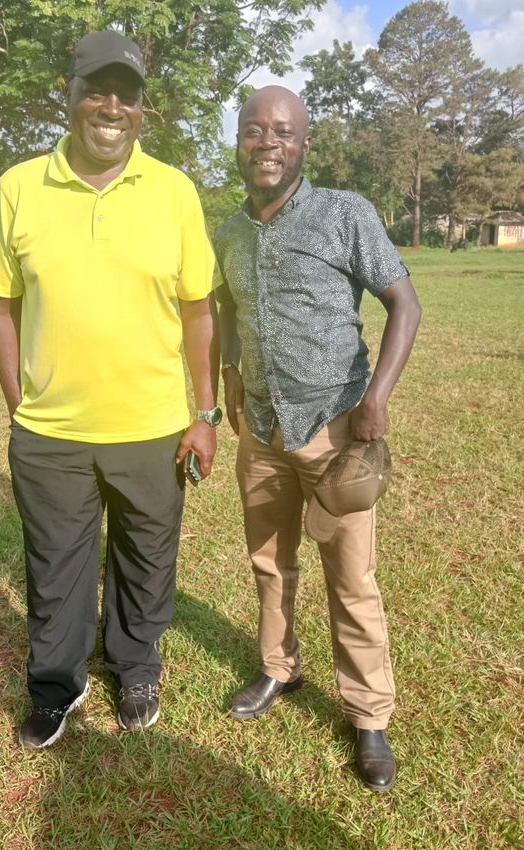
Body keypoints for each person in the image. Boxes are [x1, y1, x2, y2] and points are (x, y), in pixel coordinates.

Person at [0, 31, 221, 748]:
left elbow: (199, 310)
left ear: (143, 109)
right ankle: (57, 683)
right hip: (51, 434)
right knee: (54, 567)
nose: (112, 106)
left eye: (128, 94)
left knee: (147, 559)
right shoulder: (18, 187)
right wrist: (19, 407)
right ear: (72, 95)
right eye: (97, 89)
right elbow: (0, 303)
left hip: (151, 428)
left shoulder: (174, 191)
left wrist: (204, 413)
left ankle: (135, 663)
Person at [214, 86, 421, 792]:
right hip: (263, 431)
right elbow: (224, 307)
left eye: (282, 131)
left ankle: (368, 716)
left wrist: (376, 400)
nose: (266, 142)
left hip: (336, 429)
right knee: (270, 564)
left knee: (351, 579)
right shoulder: (229, 232)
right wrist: (231, 371)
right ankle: (278, 670)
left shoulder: (344, 214)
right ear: (238, 142)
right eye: (253, 130)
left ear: (304, 144)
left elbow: (404, 303)